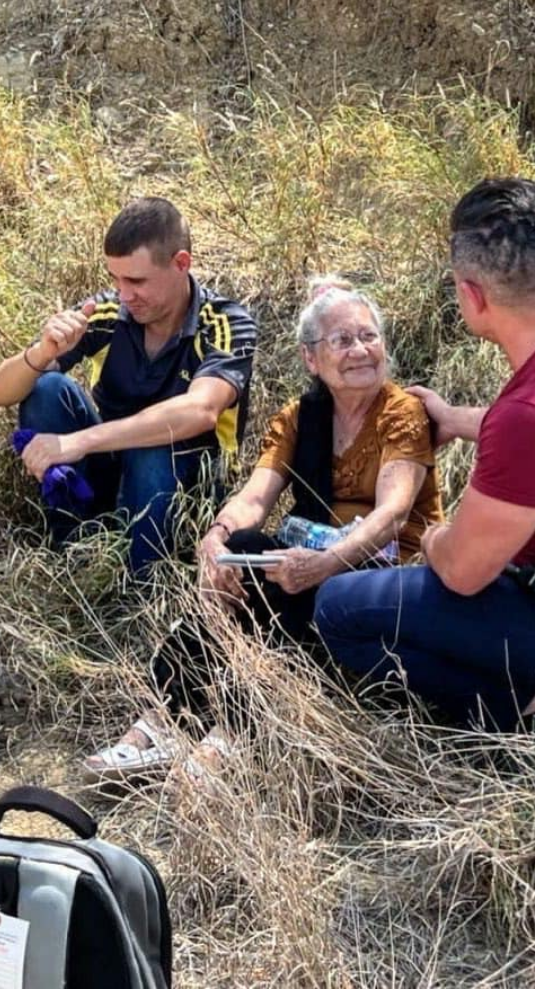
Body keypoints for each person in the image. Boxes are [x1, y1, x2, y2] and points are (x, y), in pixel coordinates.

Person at [313, 178, 535, 731]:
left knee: (340, 609)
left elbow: (461, 572)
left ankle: (534, 711)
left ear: (473, 295)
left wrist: (430, 536)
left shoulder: (533, 414)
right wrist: (457, 420)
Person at [81, 280, 443, 782]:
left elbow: (393, 514)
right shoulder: (300, 418)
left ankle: (233, 729)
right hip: (314, 557)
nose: (361, 350)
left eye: (369, 336)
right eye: (343, 340)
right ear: (311, 359)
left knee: (291, 580)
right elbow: (256, 496)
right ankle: (165, 719)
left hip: (385, 571)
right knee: (245, 552)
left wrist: (326, 561)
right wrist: (218, 536)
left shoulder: (401, 413)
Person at [0, 197, 258, 575]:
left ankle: (143, 584)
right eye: (115, 279)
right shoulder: (111, 311)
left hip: (186, 481)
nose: (124, 294)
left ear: (181, 264)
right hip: (111, 462)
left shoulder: (225, 322)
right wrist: (40, 353)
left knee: (155, 451)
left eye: (136, 280)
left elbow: (200, 411)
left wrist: (77, 443)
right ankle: (74, 553)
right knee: (45, 388)